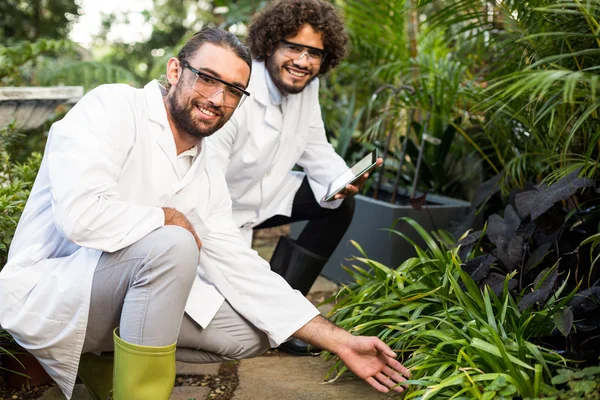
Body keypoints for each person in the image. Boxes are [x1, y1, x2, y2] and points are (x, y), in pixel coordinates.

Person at [0, 28, 408, 400]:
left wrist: (336, 339)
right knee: (172, 242)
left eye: (233, 89)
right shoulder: (112, 107)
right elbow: (81, 217)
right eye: (207, 78)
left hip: (118, 297)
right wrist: (169, 217)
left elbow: (237, 264)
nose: (217, 99)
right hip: (57, 286)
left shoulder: (207, 163)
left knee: (253, 332)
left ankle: (106, 357)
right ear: (175, 70)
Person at [206, 0, 381, 356]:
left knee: (340, 205)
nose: (303, 62)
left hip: (265, 195)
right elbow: (205, 184)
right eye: (294, 47)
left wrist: (341, 181)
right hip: (216, 209)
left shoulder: (307, 88)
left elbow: (316, 149)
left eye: (314, 52)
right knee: (230, 318)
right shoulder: (238, 84)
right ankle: (271, 312)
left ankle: (287, 318)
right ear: (269, 44)